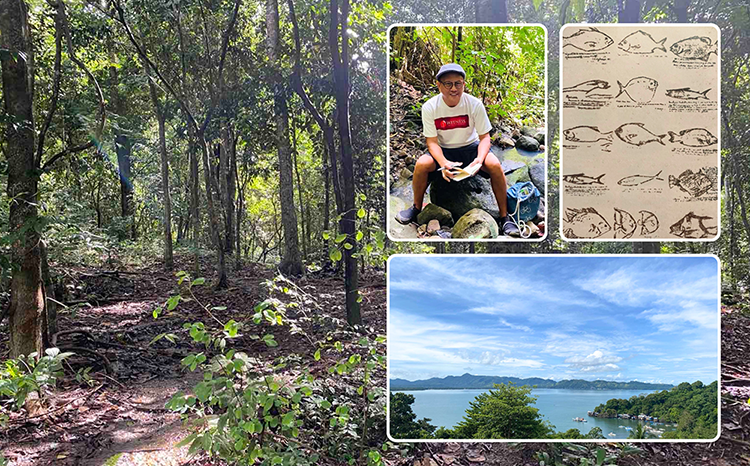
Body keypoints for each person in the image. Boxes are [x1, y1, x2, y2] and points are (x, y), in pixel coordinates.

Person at [395, 63, 519, 237]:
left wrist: (478, 160)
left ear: (464, 84)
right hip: (443, 150)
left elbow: (485, 138)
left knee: (495, 164)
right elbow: (431, 142)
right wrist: (443, 163)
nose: (454, 88)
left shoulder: (474, 104)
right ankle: (416, 207)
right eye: (448, 84)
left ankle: (505, 217)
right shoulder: (430, 107)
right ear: (438, 85)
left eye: (458, 83)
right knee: (422, 164)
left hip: (471, 148)